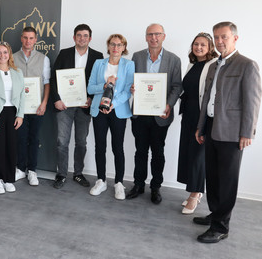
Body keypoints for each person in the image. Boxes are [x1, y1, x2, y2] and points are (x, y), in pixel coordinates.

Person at [194, 22, 261, 243]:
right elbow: (207, 100)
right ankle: (216, 213)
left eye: (223, 37)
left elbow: (252, 103)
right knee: (212, 176)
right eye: (216, 37)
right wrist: (201, 126)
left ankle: (221, 227)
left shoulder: (247, 65)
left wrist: (247, 133)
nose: (219, 41)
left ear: (235, 38)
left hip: (232, 132)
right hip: (211, 127)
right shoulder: (214, 65)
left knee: (227, 180)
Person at [126, 23, 182, 204]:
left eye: (157, 34)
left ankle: (156, 187)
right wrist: (132, 88)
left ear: (164, 36)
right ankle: (138, 184)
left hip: (161, 115)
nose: (153, 38)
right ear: (146, 37)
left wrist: (169, 105)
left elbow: (176, 86)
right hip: (140, 114)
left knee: (158, 152)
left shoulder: (174, 60)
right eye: (150, 34)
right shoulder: (137, 56)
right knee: (140, 151)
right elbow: (131, 81)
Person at [50, 24, 103, 189]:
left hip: (84, 106)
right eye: (79, 35)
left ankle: (78, 173)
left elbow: (99, 82)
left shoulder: (98, 56)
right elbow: (54, 79)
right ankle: (61, 174)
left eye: (85, 35)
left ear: (90, 38)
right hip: (64, 106)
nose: (82, 38)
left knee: (81, 142)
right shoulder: (64, 53)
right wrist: (56, 99)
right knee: (62, 141)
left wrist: (91, 99)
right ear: (74, 37)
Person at [87, 34, 134, 199]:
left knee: (117, 147)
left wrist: (113, 104)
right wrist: (105, 85)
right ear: (108, 46)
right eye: (113, 44)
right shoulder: (98, 63)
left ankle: (119, 183)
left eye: (119, 45)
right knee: (100, 146)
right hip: (99, 110)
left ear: (123, 47)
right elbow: (90, 88)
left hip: (118, 110)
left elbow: (128, 90)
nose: (115, 48)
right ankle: (101, 180)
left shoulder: (129, 65)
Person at [177, 33, 218, 214]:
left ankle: (195, 194)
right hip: (188, 114)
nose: (198, 47)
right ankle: (194, 191)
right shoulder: (192, 64)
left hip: (202, 116)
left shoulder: (213, 65)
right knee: (188, 153)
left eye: (203, 45)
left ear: (210, 48)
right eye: (196, 44)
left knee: (197, 156)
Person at [0, 42, 25, 194]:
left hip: (12, 113)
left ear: (9, 54)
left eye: (5, 52)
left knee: (11, 147)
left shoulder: (17, 72)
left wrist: (20, 115)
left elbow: (22, 95)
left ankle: (8, 178)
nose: (2, 55)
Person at [13, 27, 51, 186]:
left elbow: (46, 83)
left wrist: (44, 103)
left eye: (31, 38)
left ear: (36, 40)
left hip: (37, 107)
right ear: (21, 39)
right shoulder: (12, 58)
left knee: (34, 139)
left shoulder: (44, 59)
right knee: (20, 138)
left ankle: (32, 170)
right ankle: (21, 169)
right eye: (25, 38)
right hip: (18, 107)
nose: (28, 41)